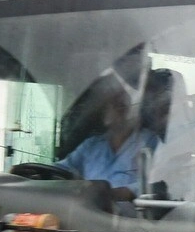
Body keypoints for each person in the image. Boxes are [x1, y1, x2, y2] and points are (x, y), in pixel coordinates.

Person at [56, 75, 159, 209]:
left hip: (134, 222)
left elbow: (158, 182)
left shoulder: (150, 142)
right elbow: (61, 169)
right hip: (89, 216)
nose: (108, 108)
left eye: (118, 103)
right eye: (105, 103)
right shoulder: (91, 146)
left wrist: (122, 193)